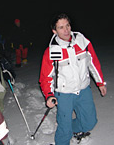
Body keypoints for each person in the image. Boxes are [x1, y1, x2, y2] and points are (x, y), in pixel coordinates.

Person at [39, 13, 107, 145]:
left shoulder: (82, 42)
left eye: (67, 25)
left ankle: (74, 129)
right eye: (61, 27)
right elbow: (45, 77)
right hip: (64, 94)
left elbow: (93, 63)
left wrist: (100, 82)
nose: (66, 30)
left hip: (83, 90)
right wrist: (49, 95)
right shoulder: (52, 51)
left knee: (90, 122)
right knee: (64, 128)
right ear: (54, 30)